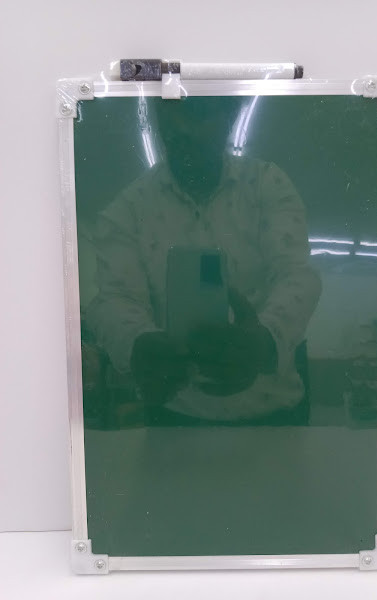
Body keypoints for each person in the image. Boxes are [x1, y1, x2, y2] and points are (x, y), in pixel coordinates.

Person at [85, 97, 321, 423]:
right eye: (167, 114)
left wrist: (265, 339)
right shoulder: (126, 211)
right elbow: (115, 300)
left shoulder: (266, 184)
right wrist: (136, 342)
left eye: (197, 112)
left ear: (231, 116)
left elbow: (295, 275)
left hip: (271, 416)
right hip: (177, 416)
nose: (179, 127)